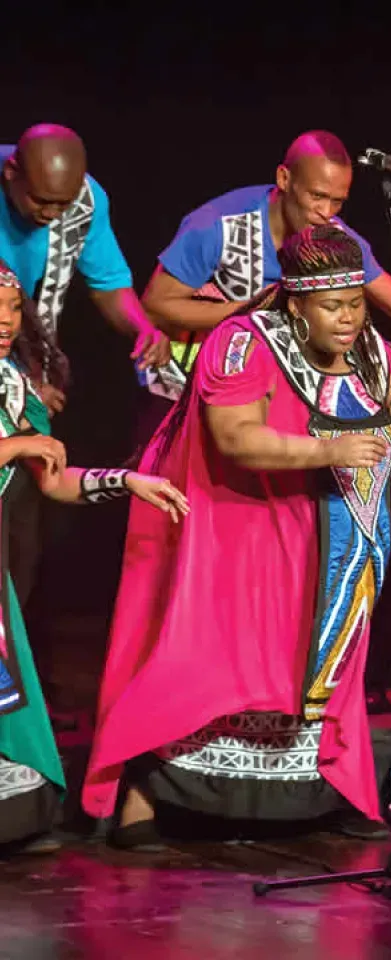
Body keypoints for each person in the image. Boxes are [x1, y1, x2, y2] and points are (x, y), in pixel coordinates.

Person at [82, 226, 391, 850]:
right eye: (333, 307)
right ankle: (141, 800)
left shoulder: (369, 346)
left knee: (322, 665)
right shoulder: (241, 344)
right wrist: (330, 449)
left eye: (354, 304)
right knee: (215, 660)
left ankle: (324, 791)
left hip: (340, 543)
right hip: (246, 530)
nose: (348, 319)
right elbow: (235, 436)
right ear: (296, 303)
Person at [139, 130, 391, 439]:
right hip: (182, 388)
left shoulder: (336, 240)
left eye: (338, 202)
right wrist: (249, 311)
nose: (326, 213)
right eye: (317, 196)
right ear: (284, 179)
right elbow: (156, 303)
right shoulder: (217, 226)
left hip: (265, 399)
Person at [0, 256, 187, 855]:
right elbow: (25, 450)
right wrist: (16, 444)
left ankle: (19, 818)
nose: (5, 321)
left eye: (11, 308)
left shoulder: (12, 384)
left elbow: (53, 478)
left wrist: (125, 481)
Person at [1, 125, 171, 613]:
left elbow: (109, 282)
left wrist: (143, 328)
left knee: (22, 539)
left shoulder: (85, 202)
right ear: (11, 173)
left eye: (63, 204)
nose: (54, 215)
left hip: (22, 365)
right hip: (17, 368)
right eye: (42, 203)